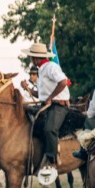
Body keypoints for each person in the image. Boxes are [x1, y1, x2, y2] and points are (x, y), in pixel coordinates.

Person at [23, 42, 70, 173]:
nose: (31, 59)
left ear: (35, 58)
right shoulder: (42, 70)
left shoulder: (51, 67)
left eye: (31, 57)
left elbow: (63, 82)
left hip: (58, 106)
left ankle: (52, 161)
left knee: (50, 129)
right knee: (25, 115)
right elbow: (42, 95)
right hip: (47, 105)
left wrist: (51, 97)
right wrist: (28, 89)